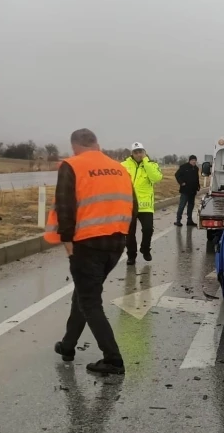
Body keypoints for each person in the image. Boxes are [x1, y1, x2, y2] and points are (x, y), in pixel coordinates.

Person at [46, 128, 137, 374]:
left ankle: (113, 358)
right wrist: (127, 238)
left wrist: (67, 239)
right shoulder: (120, 168)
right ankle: (67, 346)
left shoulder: (72, 165)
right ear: (97, 143)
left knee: (89, 301)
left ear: (75, 145)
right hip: (116, 244)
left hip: (86, 244)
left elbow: (64, 203)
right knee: (85, 293)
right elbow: (133, 206)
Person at [121, 142, 163, 264]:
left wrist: (146, 162)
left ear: (144, 152)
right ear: (132, 153)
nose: (138, 154)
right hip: (129, 205)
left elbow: (156, 178)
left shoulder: (152, 164)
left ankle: (145, 249)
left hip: (145, 206)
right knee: (129, 233)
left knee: (148, 229)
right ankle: (131, 255)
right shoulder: (124, 165)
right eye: (136, 152)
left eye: (141, 152)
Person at [173, 155, 200, 226]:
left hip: (193, 191)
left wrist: (198, 186)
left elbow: (197, 178)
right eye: (192, 160)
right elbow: (177, 175)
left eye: (195, 160)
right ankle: (178, 220)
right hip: (185, 190)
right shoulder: (183, 167)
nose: (194, 161)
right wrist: (181, 183)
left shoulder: (196, 168)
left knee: (191, 206)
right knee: (182, 205)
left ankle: (189, 221)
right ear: (189, 160)